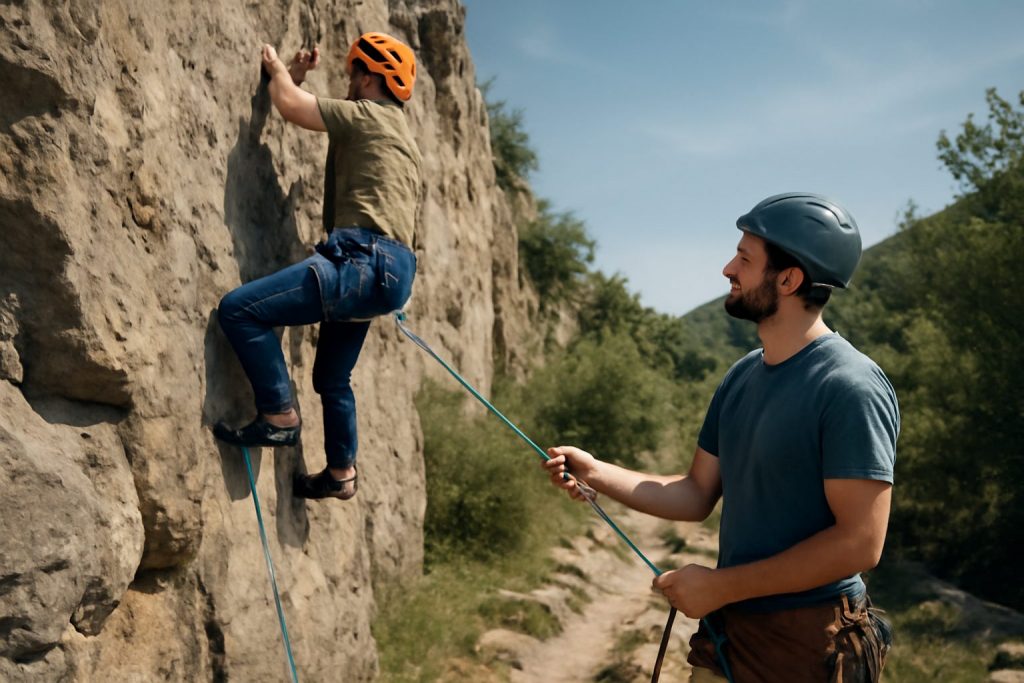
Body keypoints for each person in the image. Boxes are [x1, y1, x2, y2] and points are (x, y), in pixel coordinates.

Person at [544, 193, 897, 682]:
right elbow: (695, 493)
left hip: (811, 644)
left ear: (789, 280)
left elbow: (861, 543)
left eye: (745, 259)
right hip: (733, 631)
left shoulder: (850, 386)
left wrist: (720, 587)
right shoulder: (742, 376)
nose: (728, 268)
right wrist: (596, 472)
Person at [213, 32, 422, 502]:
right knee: (332, 378)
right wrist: (299, 77)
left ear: (369, 77)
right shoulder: (403, 138)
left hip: (361, 259)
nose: (349, 83)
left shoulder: (367, 115)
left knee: (240, 310)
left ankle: (279, 417)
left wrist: (280, 72)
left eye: (352, 75)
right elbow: (303, 99)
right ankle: (341, 473)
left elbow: (290, 105)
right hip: (393, 269)